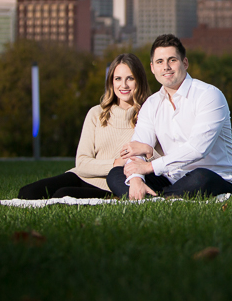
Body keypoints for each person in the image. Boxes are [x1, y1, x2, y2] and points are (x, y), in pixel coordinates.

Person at [106, 34, 232, 200]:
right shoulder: (152, 103)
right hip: (170, 178)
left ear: (185, 63)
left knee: (200, 178)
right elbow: (138, 147)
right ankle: (157, 195)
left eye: (172, 60)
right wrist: (136, 178)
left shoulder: (209, 95)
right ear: (153, 68)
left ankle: (152, 199)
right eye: (159, 62)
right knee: (115, 174)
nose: (166, 67)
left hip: (213, 177)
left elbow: (197, 149)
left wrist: (149, 167)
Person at [17, 53, 151, 199]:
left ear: (139, 81)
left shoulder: (148, 116)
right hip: (84, 177)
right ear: (111, 82)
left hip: (112, 185)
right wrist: (115, 163)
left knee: (63, 196)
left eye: (130, 78)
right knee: (27, 192)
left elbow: (154, 159)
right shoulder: (96, 113)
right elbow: (81, 162)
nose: (123, 85)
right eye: (118, 78)